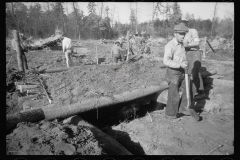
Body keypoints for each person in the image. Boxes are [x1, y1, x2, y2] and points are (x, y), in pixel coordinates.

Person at [163, 23, 193, 120]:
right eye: (181, 34)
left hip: (182, 71)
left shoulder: (182, 45)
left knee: (188, 88)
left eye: (184, 34)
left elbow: (182, 57)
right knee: (174, 93)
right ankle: (170, 114)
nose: (183, 36)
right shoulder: (170, 45)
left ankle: (184, 108)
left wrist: (184, 63)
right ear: (175, 33)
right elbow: (166, 61)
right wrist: (180, 64)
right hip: (173, 72)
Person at [181, 18, 205, 101]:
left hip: (194, 53)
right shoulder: (181, 33)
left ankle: (200, 92)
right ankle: (190, 92)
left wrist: (187, 45)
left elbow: (197, 42)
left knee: (195, 72)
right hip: (186, 53)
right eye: (181, 23)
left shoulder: (192, 31)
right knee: (187, 72)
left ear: (187, 23)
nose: (183, 24)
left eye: (184, 23)